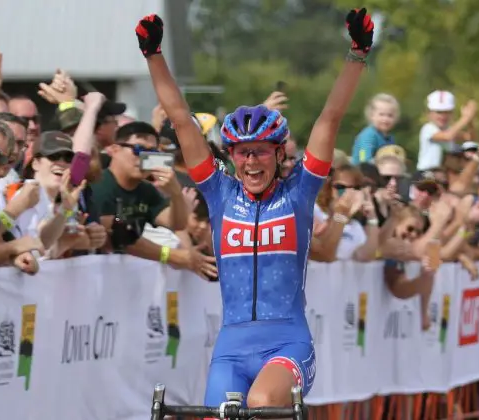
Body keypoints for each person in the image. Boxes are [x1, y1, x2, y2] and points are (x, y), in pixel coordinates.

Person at [135, 8, 373, 410]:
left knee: (261, 402)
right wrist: (154, 54)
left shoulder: (299, 192)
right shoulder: (219, 193)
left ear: (279, 154)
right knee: (221, 414)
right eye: (243, 153)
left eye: (260, 152)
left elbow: (329, 119)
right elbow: (180, 120)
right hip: (232, 346)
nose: (251, 163)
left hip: (288, 343)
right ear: (231, 156)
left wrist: (357, 53)